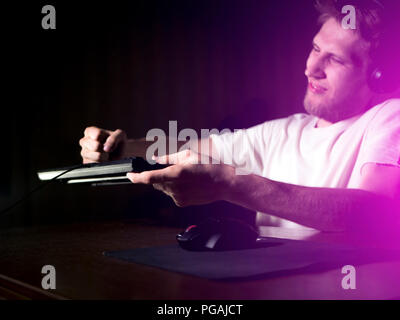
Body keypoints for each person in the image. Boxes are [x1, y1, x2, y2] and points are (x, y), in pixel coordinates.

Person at [79, 0, 400, 233]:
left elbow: (371, 210)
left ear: (376, 76)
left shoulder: (389, 115)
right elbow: (194, 148)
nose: (311, 68)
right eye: (316, 49)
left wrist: (233, 185)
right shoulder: (287, 132)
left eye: (335, 60)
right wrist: (120, 150)